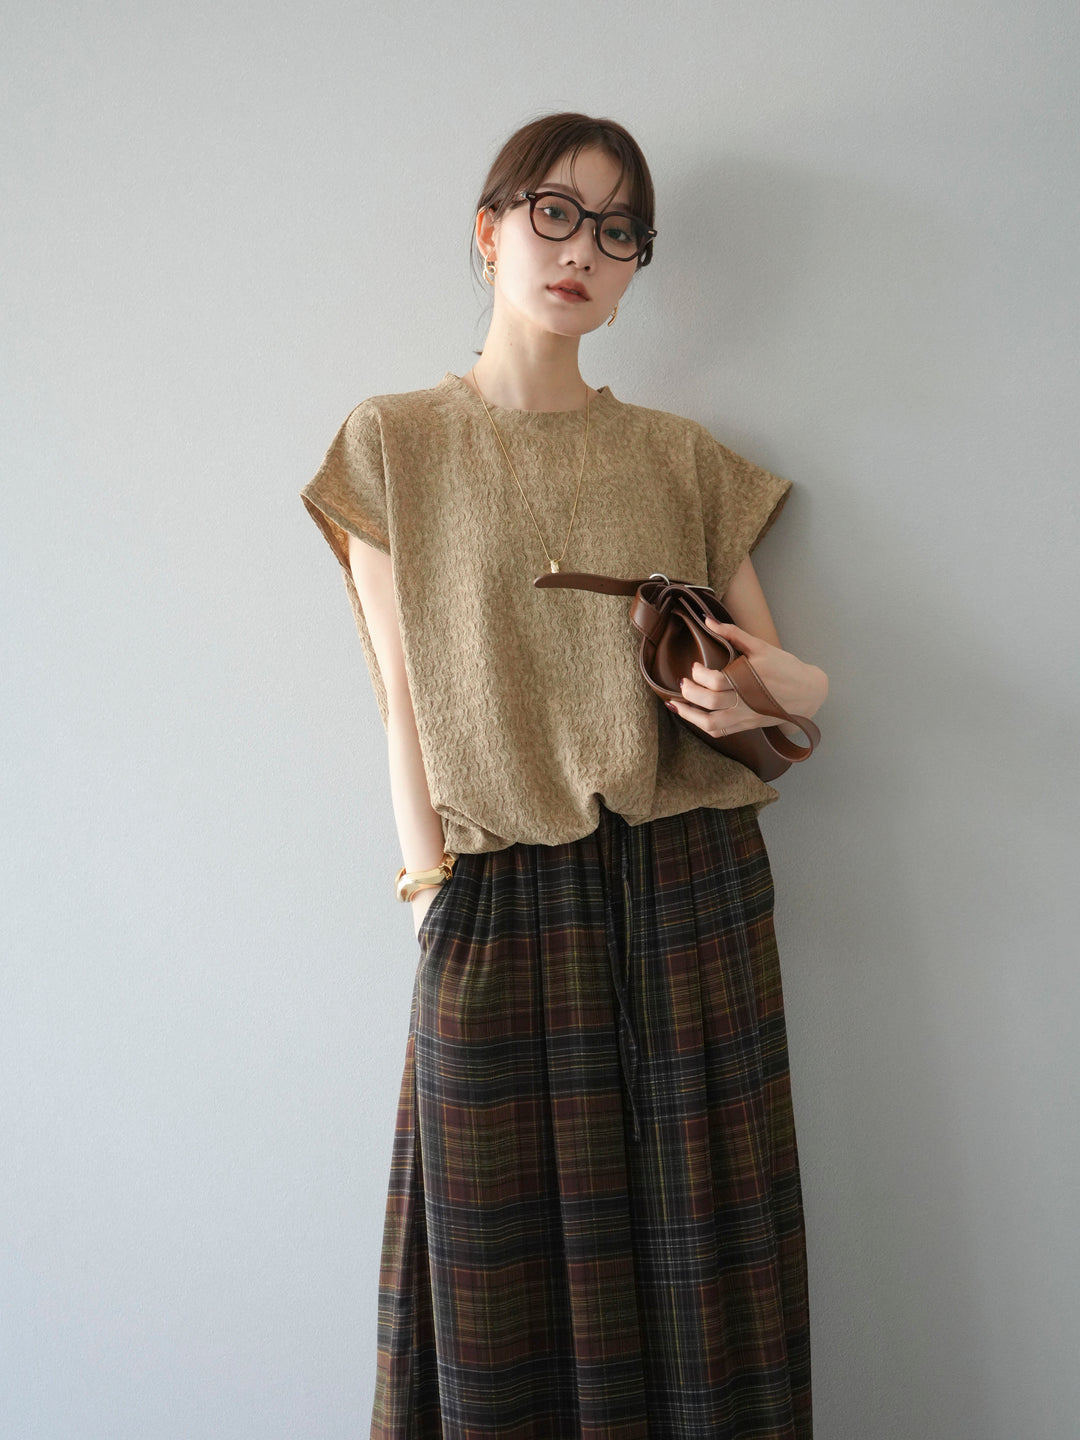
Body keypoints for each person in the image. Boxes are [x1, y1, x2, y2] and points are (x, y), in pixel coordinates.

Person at [301, 111, 827, 1440]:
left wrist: (776, 690)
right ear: (489, 233)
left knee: (709, 1272)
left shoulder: (680, 454)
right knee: (495, 1287)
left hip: (689, 889)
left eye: (618, 230)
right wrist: (426, 890)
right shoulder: (392, 442)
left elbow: (785, 685)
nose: (582, 249)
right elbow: (402, 697)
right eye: (555, 213)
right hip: (494, 894)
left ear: (639, 267)